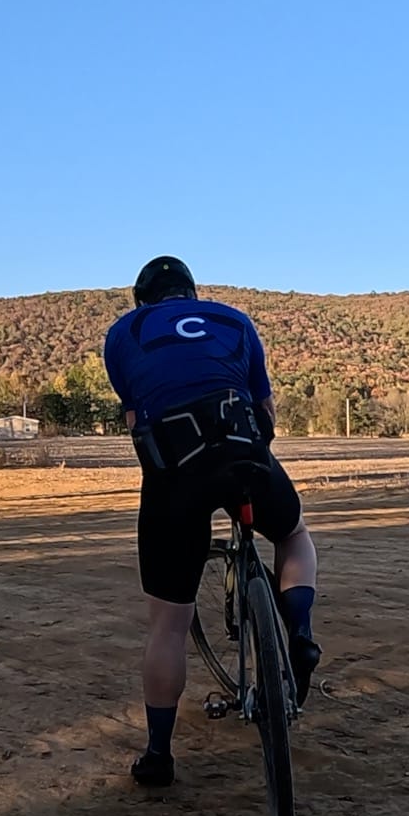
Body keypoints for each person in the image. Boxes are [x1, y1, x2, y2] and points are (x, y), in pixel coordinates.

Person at [102, 255, 322, 788]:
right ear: (192, 294)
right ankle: (299, 633)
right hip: (244, 449)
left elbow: (137, 419)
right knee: (292, 535)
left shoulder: (122, 332)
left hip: (176, 467)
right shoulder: (234, 321)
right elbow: (266, 411)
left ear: (144, 300)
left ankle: (158, 755)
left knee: (168, 623)